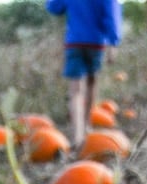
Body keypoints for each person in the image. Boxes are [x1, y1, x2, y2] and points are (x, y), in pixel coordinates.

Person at [46, 0, 122, 150]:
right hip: (96, 42)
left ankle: (77, 135)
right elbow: (111, 15)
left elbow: (54, 7)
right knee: (92, 83)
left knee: (76, 91)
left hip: (75, 42)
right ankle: (86, 125)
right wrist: (113, 42)